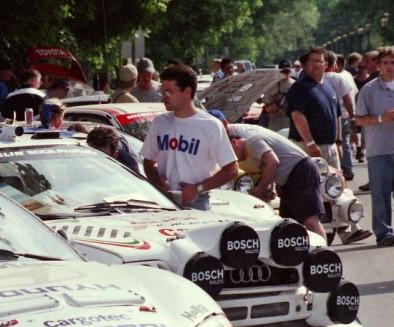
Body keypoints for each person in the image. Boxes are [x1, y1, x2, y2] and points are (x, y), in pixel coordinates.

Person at [140, 65, 238, 210]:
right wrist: (156, 180)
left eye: (169, 91)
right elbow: (148, 161)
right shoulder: (160, 122)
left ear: (187, 92)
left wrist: (197, 189)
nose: (164, 96)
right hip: (164, 199)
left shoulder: (211, 125)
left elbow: (231, 170)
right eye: (163, 91)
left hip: (197, 202)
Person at [227, 124, 327, 240]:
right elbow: (267, 166)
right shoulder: (250, 150)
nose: (234, 157)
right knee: (289, 224)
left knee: (310, 220)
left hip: (300, 171)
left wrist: (261, 188)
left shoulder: (252, 140)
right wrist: (270, 187)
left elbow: (273, 162)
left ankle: (324, 254)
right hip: (287, 179)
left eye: (232, 152)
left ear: (234, 142)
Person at [354, 46, 394, 247]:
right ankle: (384, 233)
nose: (389, 67)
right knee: (381, 193)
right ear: (378, 66)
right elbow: (359, 119)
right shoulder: (369, 90)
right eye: (385, 63)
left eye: (393, 63)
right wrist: (381, 118)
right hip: (379, 148)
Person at [285, 47, 342, 170]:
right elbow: (297, 115)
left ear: (325, 65)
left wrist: (338, 142)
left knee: (335, 185)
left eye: (318, 61)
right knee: (312, 185)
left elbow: (336, 115)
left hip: (330, 146)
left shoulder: (328, 86)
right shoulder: (300, 87)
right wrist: (310, 143)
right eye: (311, 61)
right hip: (308, 146)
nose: (314, 64)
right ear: (306, 65)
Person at [324, 50, 357, 180]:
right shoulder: (340, 77)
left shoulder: (319, 78)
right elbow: (348, 98)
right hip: (342, 115)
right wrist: (352, 115)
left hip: (324, 116)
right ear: (335, 63)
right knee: (344, 143)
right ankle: (347, 169)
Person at [262, 61, 295, 131]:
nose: (285, 73)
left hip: (289, 121)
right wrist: (275, 106)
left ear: (291, 71)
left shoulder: (296, 85)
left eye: (287, 71)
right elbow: (266, 107)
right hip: (275, 121)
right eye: (283, 71)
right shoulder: (272, 85)